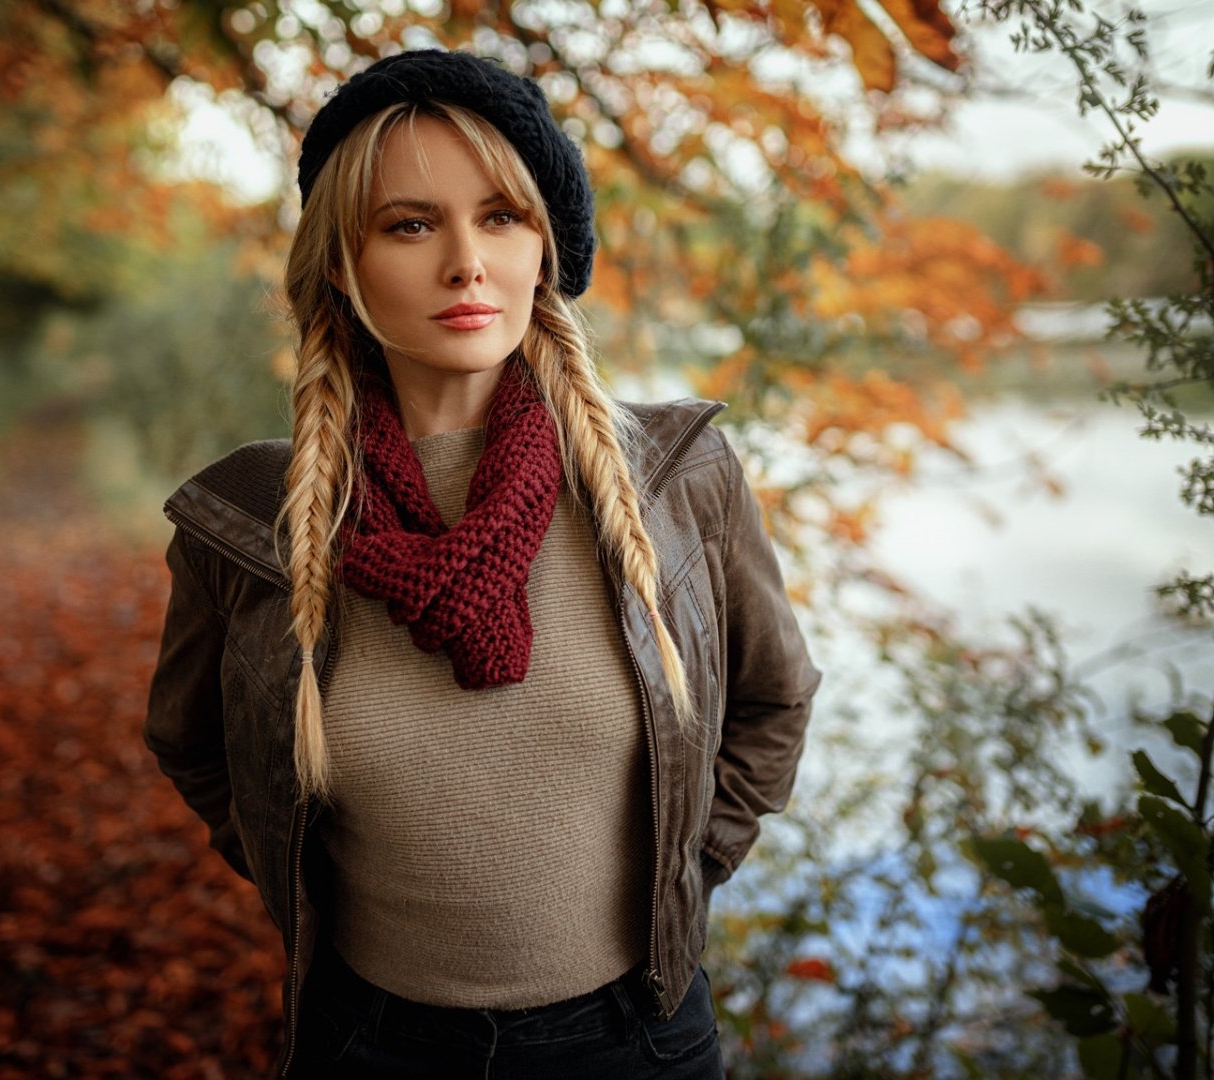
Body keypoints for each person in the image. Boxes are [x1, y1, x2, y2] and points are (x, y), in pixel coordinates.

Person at [144, 48, 820, 1079]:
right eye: (411, 225)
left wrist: (682, 873)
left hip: (634, 1039)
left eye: (501, 217)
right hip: (367, 1045)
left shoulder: (675, 479)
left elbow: (774, 704)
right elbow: (198, 748)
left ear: (545, 249)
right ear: (341, 261)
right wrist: (310, 895)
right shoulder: (250, 523)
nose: (466, 262)